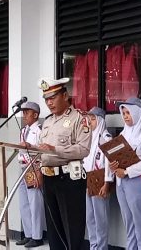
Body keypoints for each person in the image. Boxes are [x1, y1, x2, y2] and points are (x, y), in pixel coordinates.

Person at [37, 77, 92, 250]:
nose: (49, 103)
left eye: (53, 97)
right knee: (54, 228)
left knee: (72, 227)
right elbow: (42, 150)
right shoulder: (47, 121)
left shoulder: (79, 118)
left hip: (68, 179)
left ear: (66, 95)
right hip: (49, 178)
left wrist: (55, 149)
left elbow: (83, 149)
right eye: (46, 99)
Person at [109, 97, 141, 250]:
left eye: (128, 112)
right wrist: (114, 166)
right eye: (123, 113)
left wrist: (127, 171)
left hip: (138, 183)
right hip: (121, 182)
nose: (125, 116)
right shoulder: (124, 134)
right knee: (128, 223)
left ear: (138, 114)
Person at [16, 102, 45, 248]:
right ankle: (28, 234)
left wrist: (39, 171)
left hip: (33, 168)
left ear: (35, 114)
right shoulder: (23, 130)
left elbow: (41, 152)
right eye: (24, 112)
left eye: (27, 112)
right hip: (23, 168)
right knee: (24, 204)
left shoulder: (40, 130)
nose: (24, 115)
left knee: (35, 204)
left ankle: (37, 236)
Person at [83, 107, 113, 250]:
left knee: (101, 218)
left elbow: (109, 164)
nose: (90, 122)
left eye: (93, 119)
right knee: (90, 217)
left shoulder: (105, 138)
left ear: (100, 120)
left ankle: (101, 247)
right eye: (89, 118)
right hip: (89, 178)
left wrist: (107, 184)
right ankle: (93, 245)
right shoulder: (89, 136)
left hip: (100, 178)